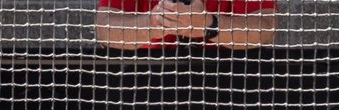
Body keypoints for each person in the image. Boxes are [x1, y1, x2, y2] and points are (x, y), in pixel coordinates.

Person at [95, 0, 277, 51]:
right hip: (146, 83)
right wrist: (155, 23)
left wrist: (210, 26)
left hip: (227, 83)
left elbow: (267, 27)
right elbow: (104, 29)